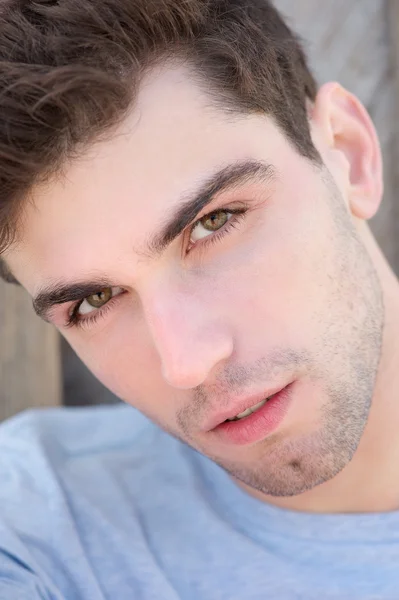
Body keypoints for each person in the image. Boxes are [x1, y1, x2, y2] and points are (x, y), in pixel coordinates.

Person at [0, 0, 398, 597]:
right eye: (94, 300)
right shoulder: (38, 525)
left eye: (214, 223)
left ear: (350, 155)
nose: (185, 362)